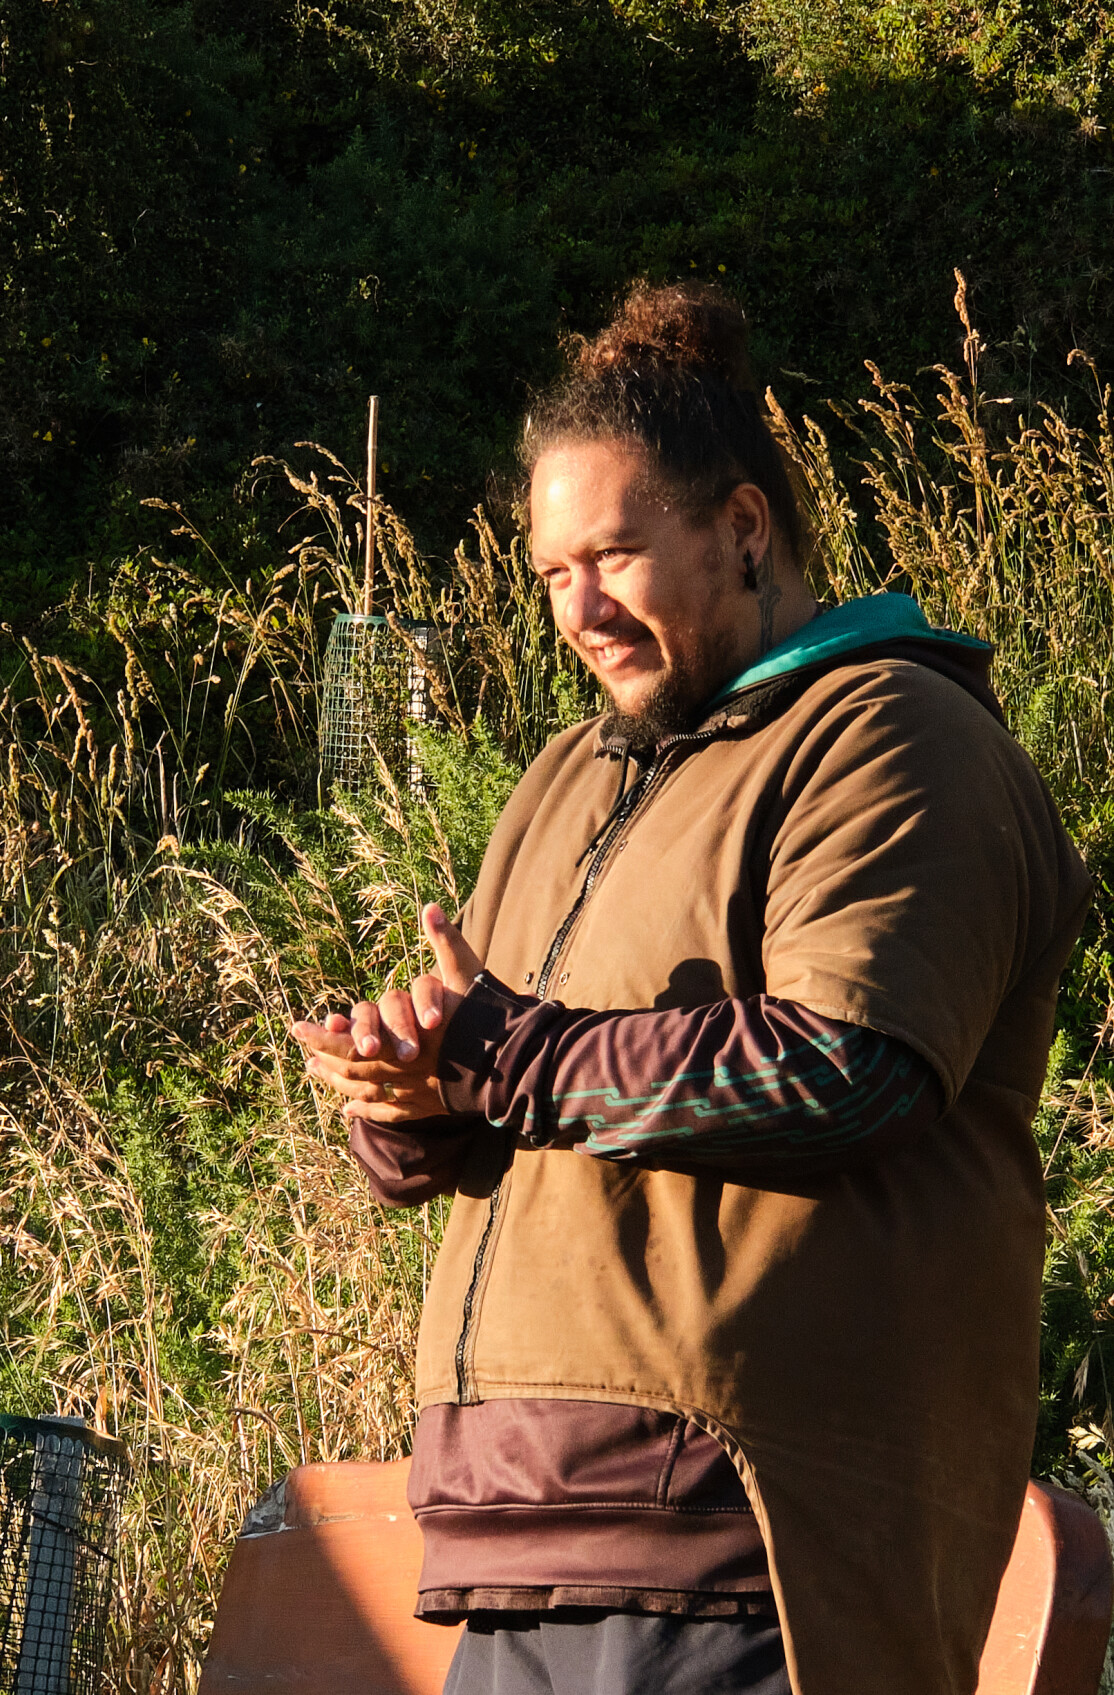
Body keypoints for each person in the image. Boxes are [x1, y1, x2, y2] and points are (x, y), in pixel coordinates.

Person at [292, 283, 1092, 1695]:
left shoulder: (892, 738)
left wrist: (512, 1054)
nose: (580, 610)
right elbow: (514, 1088)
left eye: (613, 555)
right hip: (519, 1528)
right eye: (549, 573)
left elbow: (848, 1066)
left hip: (749, 1542)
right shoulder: (563, 776)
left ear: (739, 528)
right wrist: (413, 1096)